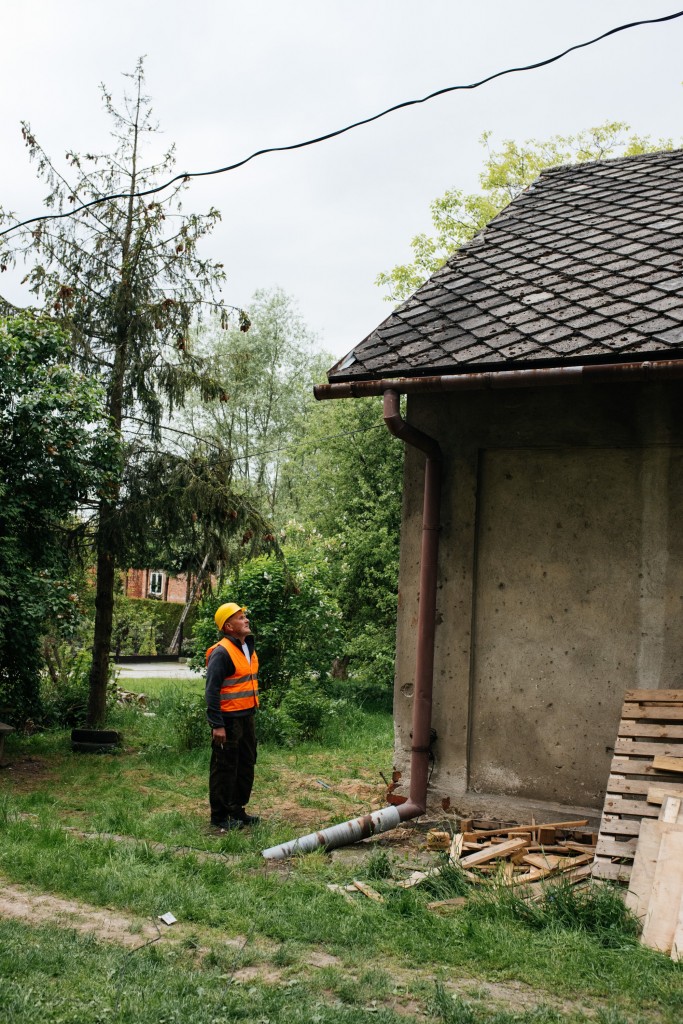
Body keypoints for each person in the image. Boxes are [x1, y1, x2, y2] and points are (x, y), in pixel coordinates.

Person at [205, 602, 260, 830]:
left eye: (245, 615)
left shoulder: (247, 646)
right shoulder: (221, 652)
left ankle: (237, 810)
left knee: (246, 763)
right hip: (228, 720)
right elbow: (211, 690)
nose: (246, 619)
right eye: (240, 617)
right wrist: (217, 724)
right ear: (228, 626)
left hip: (246, 716)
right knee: (225, 766)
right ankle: (220, 816)